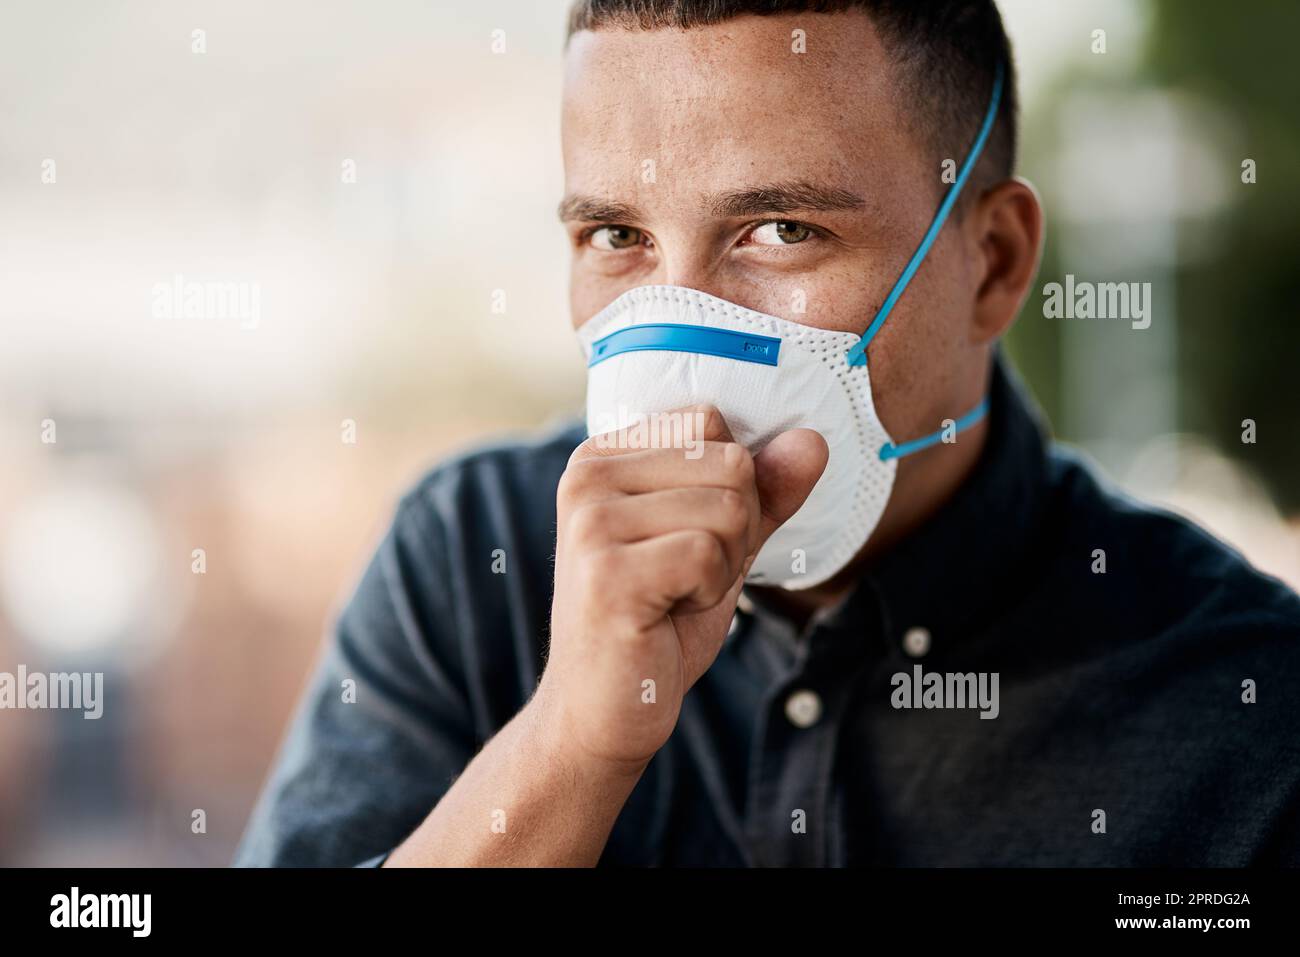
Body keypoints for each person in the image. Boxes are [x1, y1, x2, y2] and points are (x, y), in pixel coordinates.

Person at [235, 0, 1300, 867]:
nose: (680, 333)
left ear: (995, 262)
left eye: (781, 231)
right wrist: (569, 744)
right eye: (615, 234)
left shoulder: (1245, 717)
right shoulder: (469, 566)